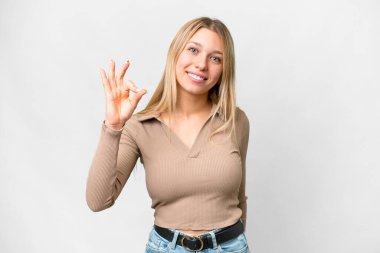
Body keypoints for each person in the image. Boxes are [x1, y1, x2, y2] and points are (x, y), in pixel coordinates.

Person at [86, 17, 251, 253]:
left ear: (224, 69)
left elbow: (239, 199)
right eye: (193, 50)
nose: (202, 64)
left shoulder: (236, 121)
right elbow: (97, 201)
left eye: (215, 58)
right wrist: (113, 126)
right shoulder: (140, 126)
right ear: (175, 53)